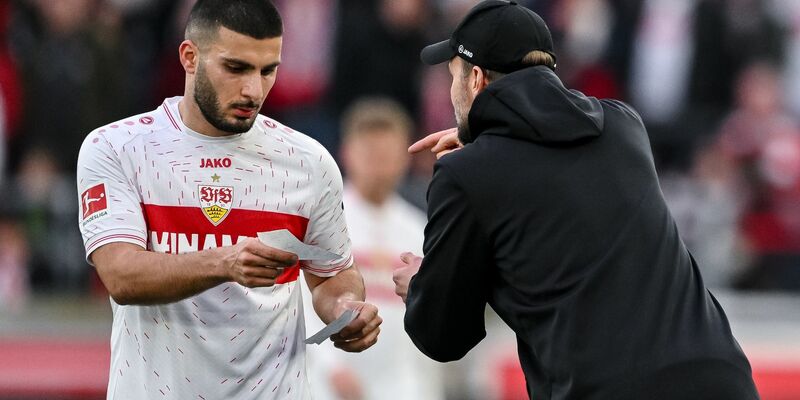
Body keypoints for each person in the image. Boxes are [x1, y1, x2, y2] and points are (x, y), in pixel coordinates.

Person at [392, 1, 759, 399]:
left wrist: (421, 287)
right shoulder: (624, 127)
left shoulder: (465, 175)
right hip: (722, 381)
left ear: (476, 79)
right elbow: (551, 156)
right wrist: (480, 137)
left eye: (454, 76)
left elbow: (443, 335)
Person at [76, 1, 381, 399]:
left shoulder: (308, 162)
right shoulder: (118, 148)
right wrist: (225, 262)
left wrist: (345, 310)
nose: (253, 89)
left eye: (268, 70)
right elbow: (121, 276)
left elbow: (331, 275)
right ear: (189, 57)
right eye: (236, 68)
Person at [302, 98, 444, 400]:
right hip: (334, 386)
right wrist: (330, 368)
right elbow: (302, 303)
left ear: (404, 156)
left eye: (387, 154)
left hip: (403, 386)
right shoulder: (324, 223)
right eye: (370, 153)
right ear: (346, 153)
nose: (378, 164)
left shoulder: (419, 230)